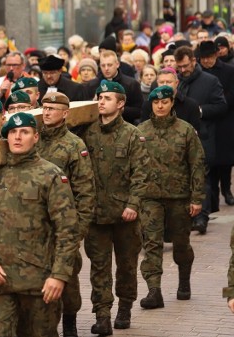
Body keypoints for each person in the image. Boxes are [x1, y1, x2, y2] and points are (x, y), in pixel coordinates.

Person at [0, 112, 79, 336]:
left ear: (36, 137)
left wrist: (59, 275)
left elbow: (67, 230)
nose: (18, 137)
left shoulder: (50, 176)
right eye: (12, 132)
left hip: (39, 283)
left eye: (24, 132)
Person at [80, 81, 149, 335]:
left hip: (125, 216)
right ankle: (102, 315)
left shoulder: (132, 134)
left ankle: (125, 307)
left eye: (107, 98)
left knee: (126, 265)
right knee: (99, 267)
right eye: (99, 97)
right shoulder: (88, 133)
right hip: (96, 215)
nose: (101, 101)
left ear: (120, 104)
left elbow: (141, 174)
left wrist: (133, 204)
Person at [137, 86, 205, 310]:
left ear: (172, 103)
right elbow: (133, 165)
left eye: (164, 102)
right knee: (152, 244)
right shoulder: (141, 130)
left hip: (179, 197)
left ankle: (184, 280)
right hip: (150, 198)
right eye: (156, 102)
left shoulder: (185, 130)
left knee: (181, 244)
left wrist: (197, 198)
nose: (159, 106)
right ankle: (154, 291)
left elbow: (197, 165)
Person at [36, 92, 96, 337]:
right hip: (37, 224)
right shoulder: (34, 139)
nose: (47, 112)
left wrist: (78, 231)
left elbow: (85, 191)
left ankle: (70, 323)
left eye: (52, 108)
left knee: (68, 277)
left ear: (65, 113)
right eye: (45, 108)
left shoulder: (74, 145)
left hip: (65, 225)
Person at [175, 45, 227, 233]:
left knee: (202, 176)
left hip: (203, 135)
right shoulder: (177, 82)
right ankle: (189, 216)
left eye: (186, 66)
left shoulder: (210, 81)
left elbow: (221, 106)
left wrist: (200, 111)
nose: (183, 70)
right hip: (180, 139)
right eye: (179, 67)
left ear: (193, 61)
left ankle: (202, 217)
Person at [197, 41, 234, 210]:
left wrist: (220, 105)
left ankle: (227, 190)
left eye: (209, 57)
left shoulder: (229, 70)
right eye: (203, 58)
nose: (206, 61)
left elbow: (231, 95)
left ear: (216, 55)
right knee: (209, 160)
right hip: (205, 121)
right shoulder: (198, 74)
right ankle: (213, 195)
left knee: (225, 160)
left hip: (225, 120)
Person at [85, 50, 144, 125]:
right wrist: (93, 103)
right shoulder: (91, 85)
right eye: (103, 65)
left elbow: (139, 111)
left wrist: (117, 109)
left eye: (109, 65)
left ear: (117, 64)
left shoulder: (131, 84)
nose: (106, 68)